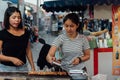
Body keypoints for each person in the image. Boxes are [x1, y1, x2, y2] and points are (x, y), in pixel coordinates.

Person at [46, 13, 90, 80]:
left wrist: (79, 59)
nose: (69, 29)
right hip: (65, 71)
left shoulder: (83, 39)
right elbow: (49, 55)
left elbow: (88, 55)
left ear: (77, 25)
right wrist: (51, 59)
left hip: (79, 72)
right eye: (66, 26)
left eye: (72, 26)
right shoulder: (60, 38)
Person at [0, 6, 35, 72]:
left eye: (19, 17)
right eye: (14, 17)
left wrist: (33, 67)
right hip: (6, 69)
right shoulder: (2, 34)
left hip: (23, 68)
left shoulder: (26, 33)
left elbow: (28, 50)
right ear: (8, 18)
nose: (17, 20)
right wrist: (11, 59)